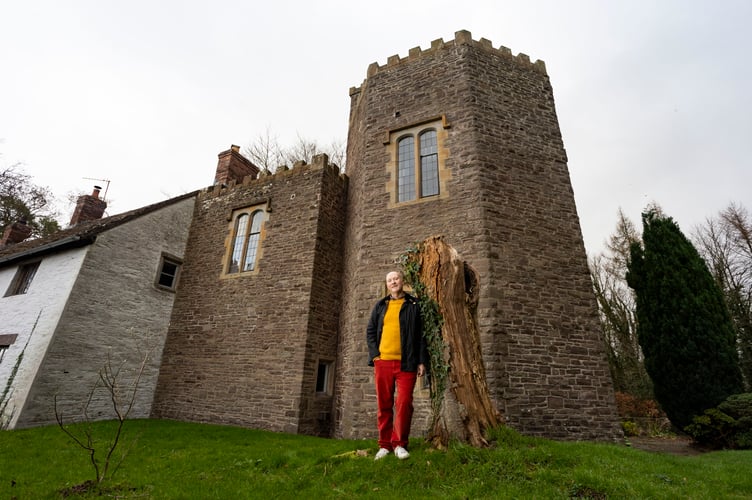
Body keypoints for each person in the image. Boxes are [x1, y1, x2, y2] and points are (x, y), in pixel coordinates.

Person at [366, 270, 428, 460]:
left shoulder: (414, 305)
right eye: (390, 280)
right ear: (387, 284)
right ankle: (384, 445)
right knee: (384, 404)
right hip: (383, 362)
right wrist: (375, 356)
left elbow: (421, 336)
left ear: (402, 281)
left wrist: (422, 360)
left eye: (396, 279)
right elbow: (370, 331)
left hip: (406, 363)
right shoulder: (380, 305)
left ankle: (400, 443)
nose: (393, 282)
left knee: (404, 403)